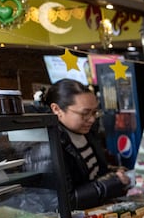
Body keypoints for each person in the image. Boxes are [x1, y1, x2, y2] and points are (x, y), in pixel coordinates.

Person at [44, 79, 131, 210]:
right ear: (56, 109)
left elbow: (92, 172)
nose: (92, 119)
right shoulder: (49, 146)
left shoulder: (85, 132)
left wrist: (113, 172)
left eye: (94, 112)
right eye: (85, 113)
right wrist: (114, 183)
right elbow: (64, 202)